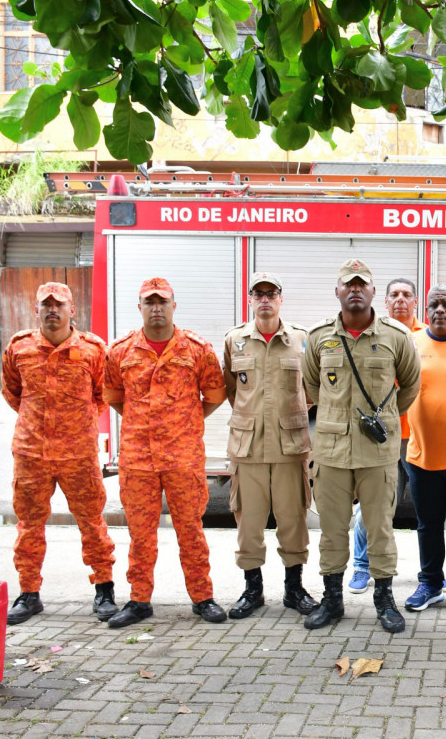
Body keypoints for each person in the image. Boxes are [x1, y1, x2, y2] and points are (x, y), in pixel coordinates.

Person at [300, 259, 421, 632]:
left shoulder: (396, 337)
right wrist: (338, 419)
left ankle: (384, 600)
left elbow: (411, 385)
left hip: (377, 452)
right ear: (337, 292)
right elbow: (311, 387)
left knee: (380, 526)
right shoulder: (320, 337)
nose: (355, 290)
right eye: (347, 285)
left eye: (362, 285)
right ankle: (332, 600)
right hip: (332, 451)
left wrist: (382, 421)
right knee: (333, 528)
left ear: (372, 292)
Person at [102, 277, 228, 628]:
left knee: (191, 530)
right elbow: (113, 397)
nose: (156, 308)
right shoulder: (120, 351)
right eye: (149, 302)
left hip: (183, 457)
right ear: (139, 308)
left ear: (174, 306)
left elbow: (215, 395)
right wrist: (144, 423)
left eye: (163, 302)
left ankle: (202, 597)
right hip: (138, 459)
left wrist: (185, 422)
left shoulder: (197, 349)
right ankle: (139, 601)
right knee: (140, 534)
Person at [1, 282, 118, 625]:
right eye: (45, 305)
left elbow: (104, 394)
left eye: (59, 305)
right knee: (29, 526)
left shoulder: (94, 349)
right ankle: (29, 593)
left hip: (78, 453)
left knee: (92, 523)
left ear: (72, 311)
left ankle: (104, 590)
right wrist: (38, 423)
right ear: (36, 310)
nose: (53, 310)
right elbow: (13, 393)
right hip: (31, 452)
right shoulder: (19, 347)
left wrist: (74, 423)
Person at [222, 271, 319, 619]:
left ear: (281, 298)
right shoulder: (235, 340)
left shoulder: (301, 340)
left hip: (290, 446)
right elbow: (233, 390)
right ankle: (253, 590)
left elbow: (312, 391)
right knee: (249, 523)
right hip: (248, 448)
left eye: (271, 293)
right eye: (258, 294)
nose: (265, 299)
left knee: (293, 520)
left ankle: (294, 590)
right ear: (250, 299)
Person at [348, 277, 429, 596]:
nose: (400, 300)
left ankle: (430, 574)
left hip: (420, 437)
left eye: (407, 295)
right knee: (372, 506)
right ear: (384, 301)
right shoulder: (373, 335)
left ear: (415, 301)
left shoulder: (428, 337)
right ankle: (361, 566)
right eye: (394, 294)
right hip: (380, 437)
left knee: (429, 510)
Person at [402, 285, 446, 615]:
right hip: (422, 456)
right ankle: (430, 583)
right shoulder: (412, 343)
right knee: (427, 525)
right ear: (425, 310)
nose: (440, 310)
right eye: (434, 305)